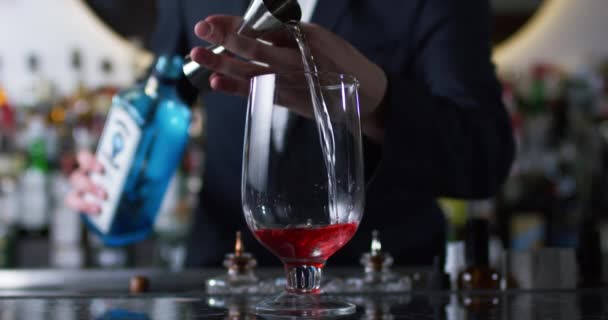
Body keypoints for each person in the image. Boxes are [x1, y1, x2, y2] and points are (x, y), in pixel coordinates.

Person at [67, 0, 515, 267]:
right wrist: (110, 172)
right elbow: (166, 90)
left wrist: (374, 100)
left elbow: (483, 156)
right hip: (225, 273)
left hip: (381, 279)